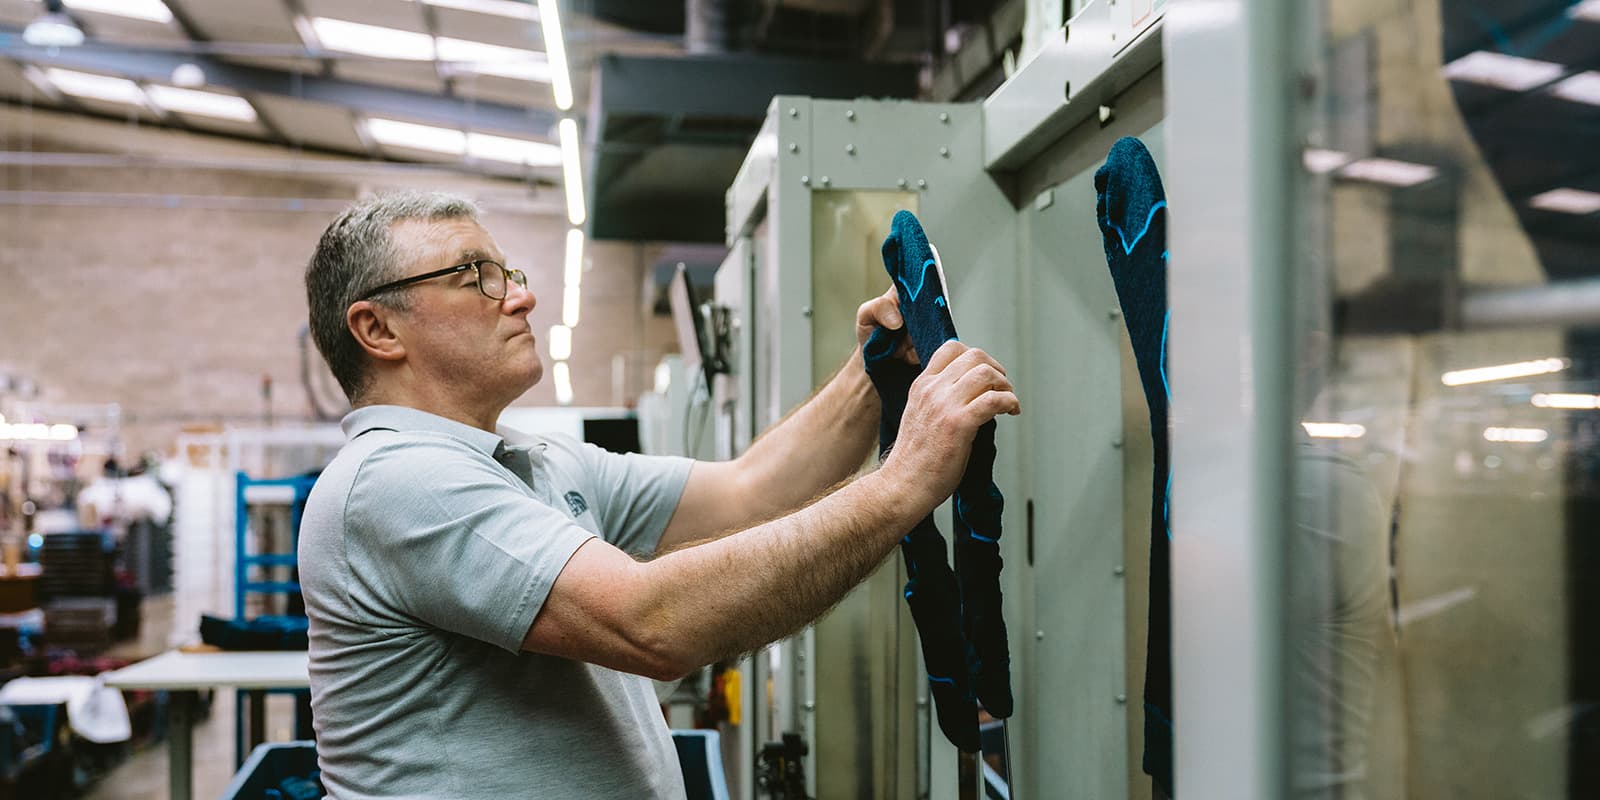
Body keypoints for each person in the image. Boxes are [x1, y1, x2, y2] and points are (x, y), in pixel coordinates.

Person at [298, 191, 1021, 799]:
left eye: (507, 271)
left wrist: (873, 375)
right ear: (377, 328)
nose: (521, 295)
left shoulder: (533, 464)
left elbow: (751, 492)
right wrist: (901, 486)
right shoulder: (397, 481)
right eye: (475, 276)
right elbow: (653, 624)